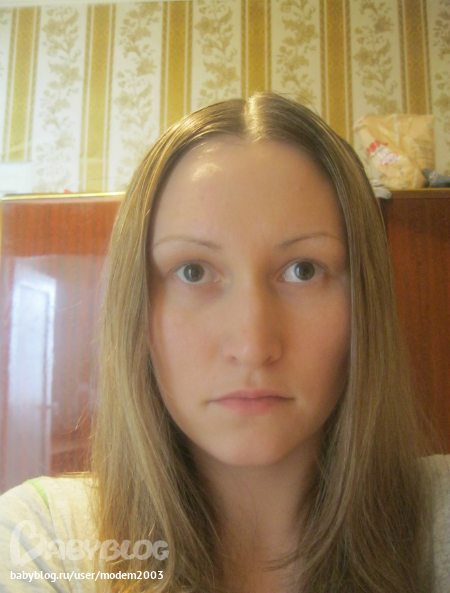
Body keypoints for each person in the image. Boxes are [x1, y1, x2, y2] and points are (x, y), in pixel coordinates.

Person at [0, 92, 449, 593]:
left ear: (364, 302)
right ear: (136, 310)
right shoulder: (41, 543)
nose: (253, 345)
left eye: (303, 270)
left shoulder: (439, 523)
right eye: (193, 271)